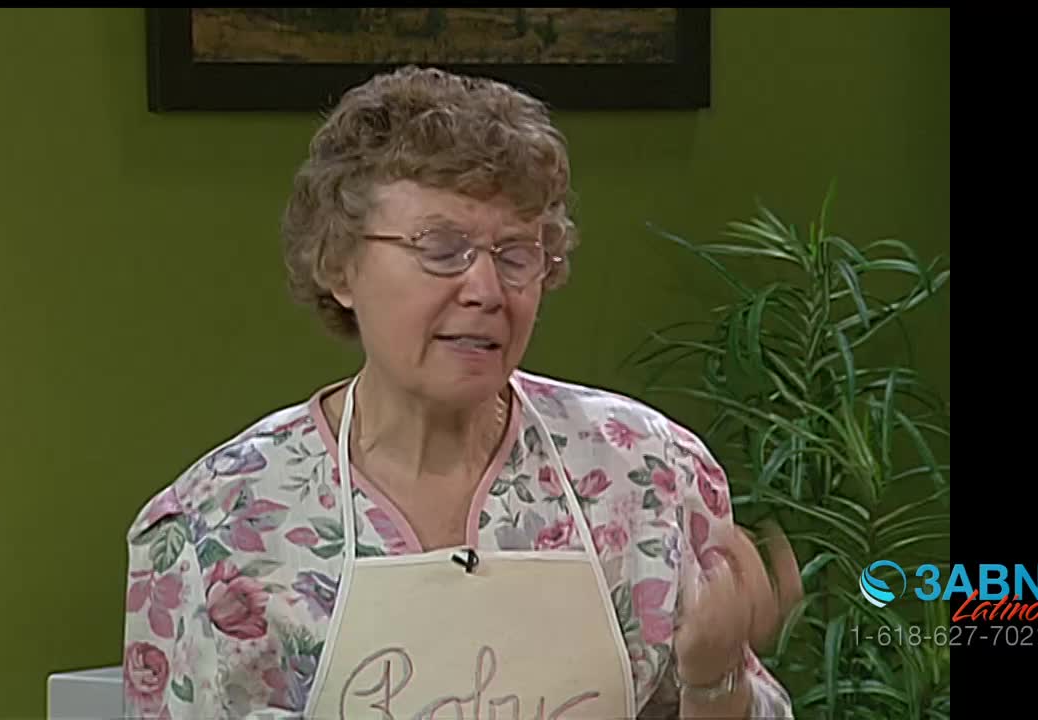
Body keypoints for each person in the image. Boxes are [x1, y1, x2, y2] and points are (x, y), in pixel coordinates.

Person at [122, 65, 803, 719]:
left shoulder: (650, 473)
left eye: (516, 255)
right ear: (339, 266)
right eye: (441, 249)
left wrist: (714, 681)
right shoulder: (217, 525)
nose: (485, 291)